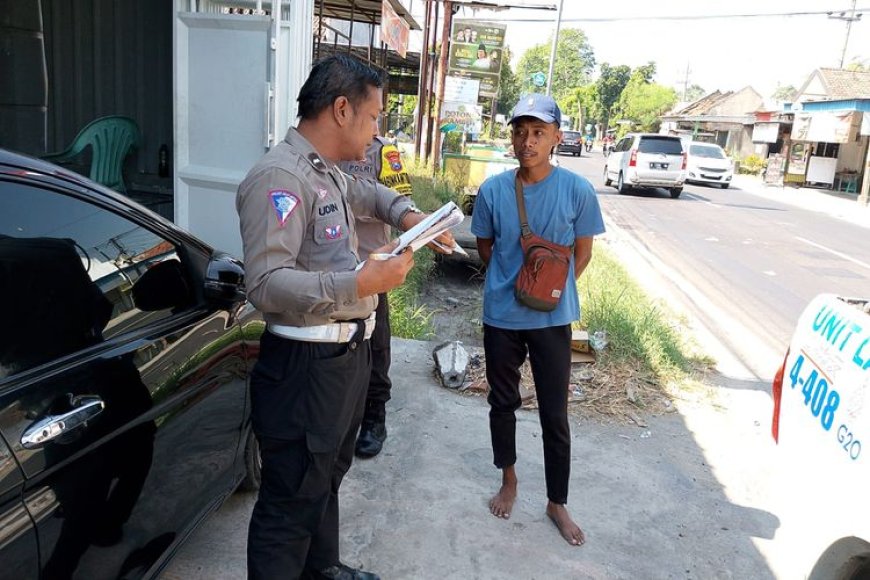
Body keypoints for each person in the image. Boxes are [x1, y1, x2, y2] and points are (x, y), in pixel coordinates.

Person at [237, 54, 452, 580]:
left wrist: (407, 214)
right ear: (340, 110)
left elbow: (365, 191)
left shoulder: (323, 169)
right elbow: (264, 284)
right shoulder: (278, 180)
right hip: (303, 369)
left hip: (342, 360)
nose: (378, 128)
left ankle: (323, 569)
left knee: (326, 475)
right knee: (289, 502)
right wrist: (358, 284)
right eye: (374, 116)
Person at [470, 94, 605, 547]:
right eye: (520, 132)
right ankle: (508, 480)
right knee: (502, 403)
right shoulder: (492, 191)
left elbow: (582, 254)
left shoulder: (577, 191)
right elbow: (486, 248)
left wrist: (550, 291)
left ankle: (556, 502)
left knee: (555, 412)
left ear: (556, 139)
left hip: (552, 320)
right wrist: (516, 282)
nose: (527, 141)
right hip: (503, 317)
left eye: (538, 133)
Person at [339, 137, 413, 459]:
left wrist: (359, 204)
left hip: (372, 263)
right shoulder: (328, 149)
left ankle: (374, 418)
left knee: (377, 343)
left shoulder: (385, 152)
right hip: (335, 268)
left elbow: (400, 203)